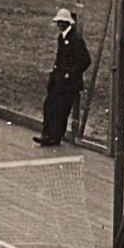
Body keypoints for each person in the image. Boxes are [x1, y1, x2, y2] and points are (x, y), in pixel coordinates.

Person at [37, 8, 91, 146]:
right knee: (49, 106)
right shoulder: (62, 37)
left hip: (68, 83)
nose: (60, 25)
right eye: (58, 22)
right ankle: (47, 134)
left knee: (61, 110)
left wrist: (70, 74)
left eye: (63, 22)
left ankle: (55, 137)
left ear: (68, 23)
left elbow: (85, 60)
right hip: (58, 79)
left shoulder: (75, 40)